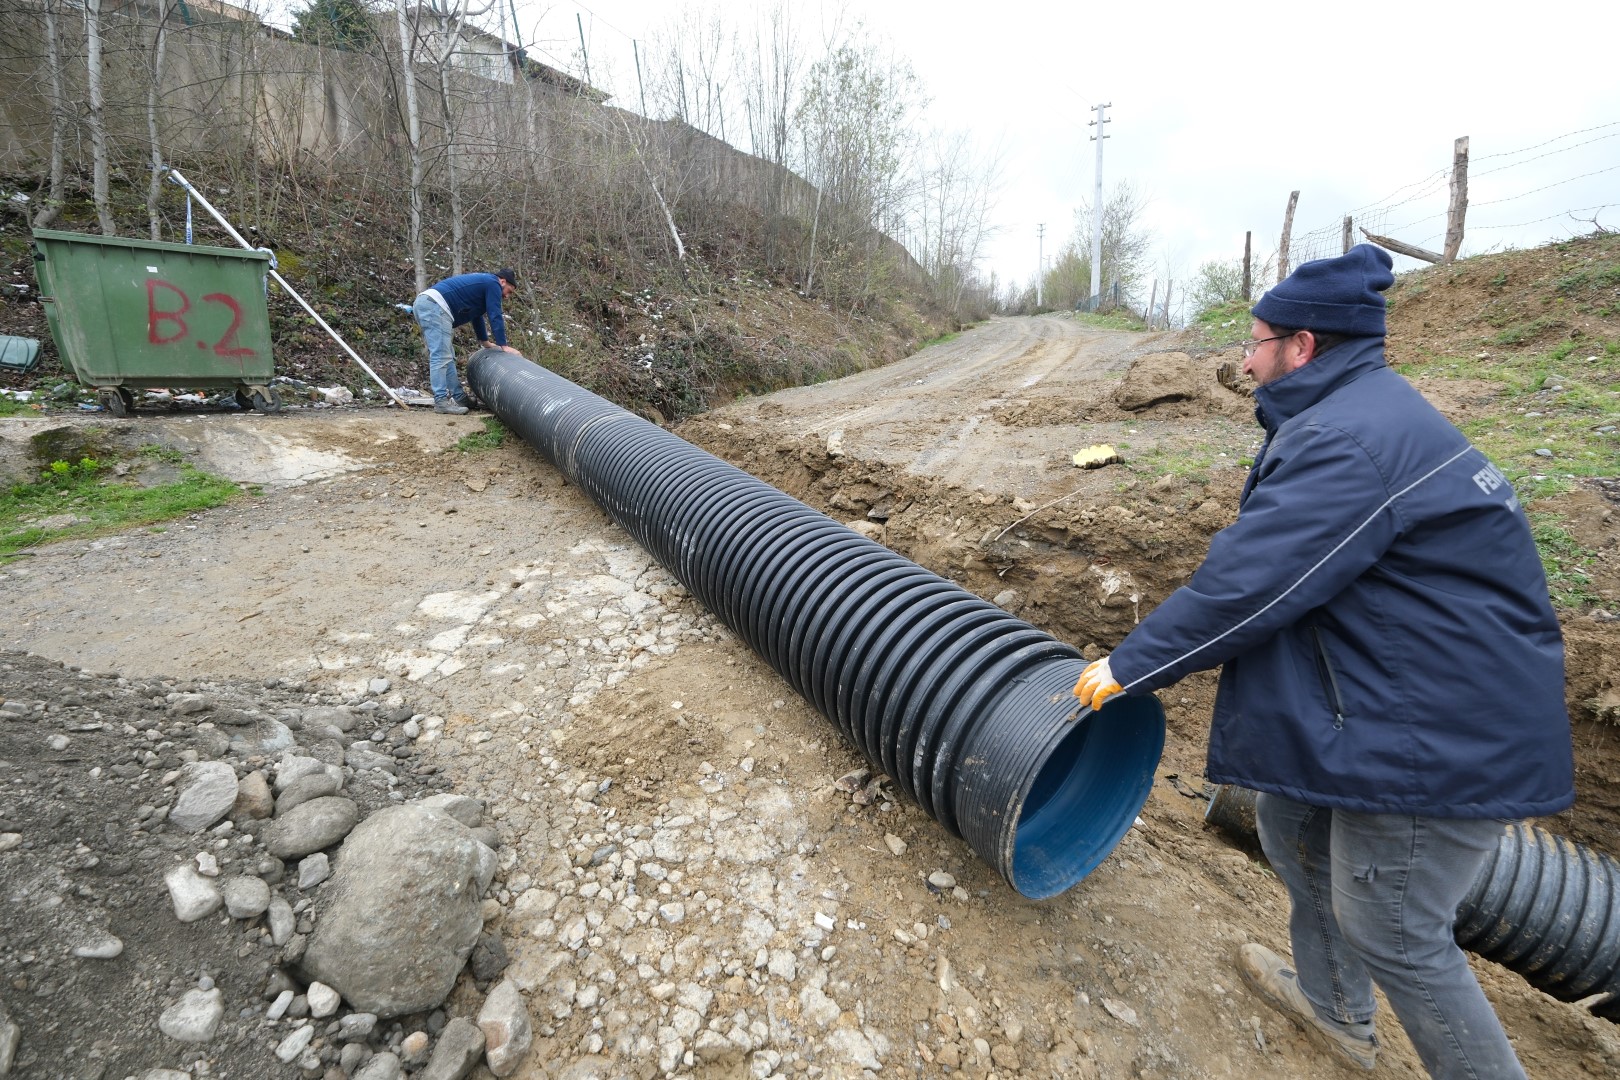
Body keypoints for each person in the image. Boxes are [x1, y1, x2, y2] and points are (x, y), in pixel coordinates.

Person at [1071, 244, 1574, 1079]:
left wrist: (1131, 666)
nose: (1243, 356)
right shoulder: (1362, 412)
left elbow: (1252, 586)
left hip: (1440, 735)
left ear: (1302, 347)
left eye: (1257, 339)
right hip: (1419, 691)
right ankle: (1336, 1012)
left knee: (1397, 928)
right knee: (1292, 823)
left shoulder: (1351, 440)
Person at [412, 269, 521, 414]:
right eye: (509, 291)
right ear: (502, 281)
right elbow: (495, 314)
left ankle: (459, 397)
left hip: (429, 304)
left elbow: (476, 317)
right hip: (434, 306)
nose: (507, 296)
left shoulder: (484, 285)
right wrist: (504, 346)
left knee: (447, 357)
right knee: (440, 356)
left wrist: (485, 342)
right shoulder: (493, 283)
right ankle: (441, 402)